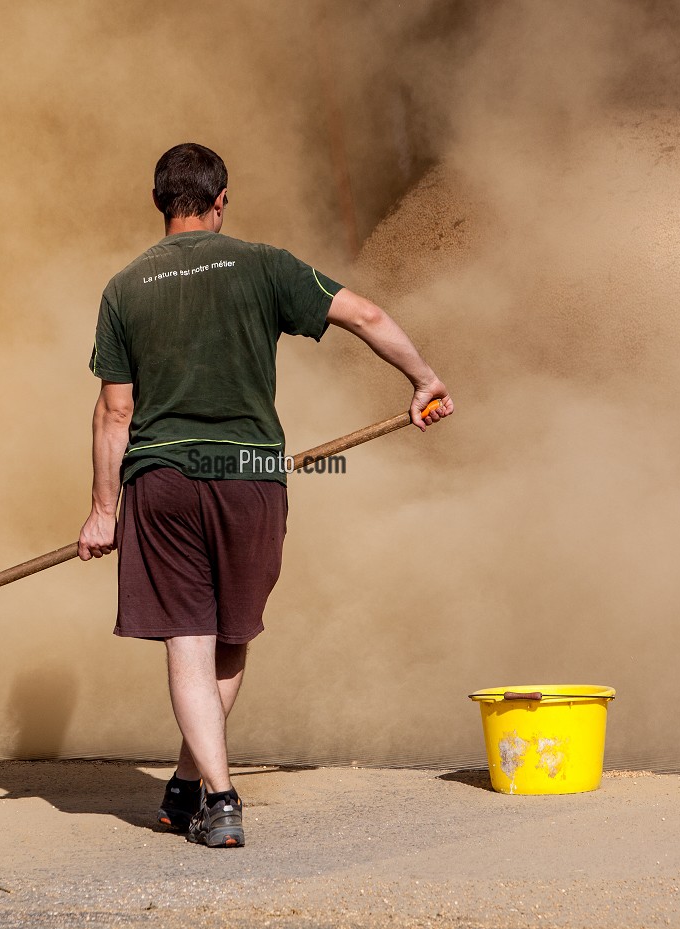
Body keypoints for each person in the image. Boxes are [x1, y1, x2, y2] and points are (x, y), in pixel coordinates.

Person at [78, 142, 453, 848]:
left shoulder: (124, 288)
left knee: (187, 639)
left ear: (161, 203)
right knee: (230, 638)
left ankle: (199, 789)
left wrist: (104, 512)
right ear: (222, 200)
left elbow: (114, 413)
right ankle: (216, 794)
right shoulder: (266, 265)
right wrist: (423, 379)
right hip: (252, 475)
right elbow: (367, 315)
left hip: (162, 481)